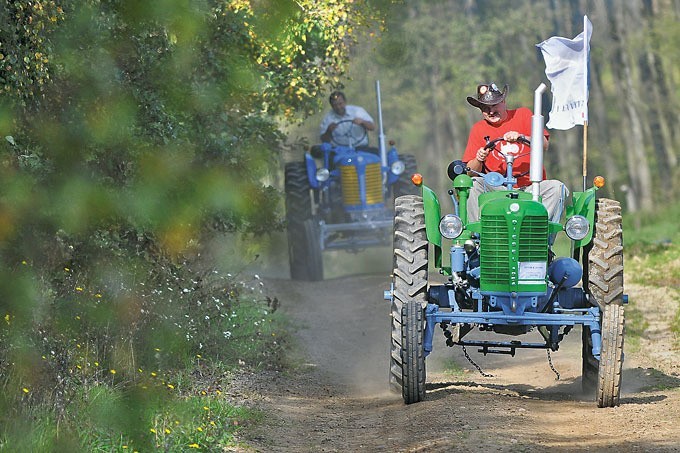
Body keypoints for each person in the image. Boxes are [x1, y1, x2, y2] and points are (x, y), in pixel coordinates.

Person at [462, 82, 568, 223]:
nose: (491, 111)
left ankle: (539, 232)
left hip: (530, 187)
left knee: (557, 188)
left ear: (504, 102)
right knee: (473, 183)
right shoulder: (478, 129)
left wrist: (521, 137)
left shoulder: (522, 115)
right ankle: (477, 235)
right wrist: (479, 159)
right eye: (485, 108)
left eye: (494, 105)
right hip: (498, 189)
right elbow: (470, 171)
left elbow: (544, 144)